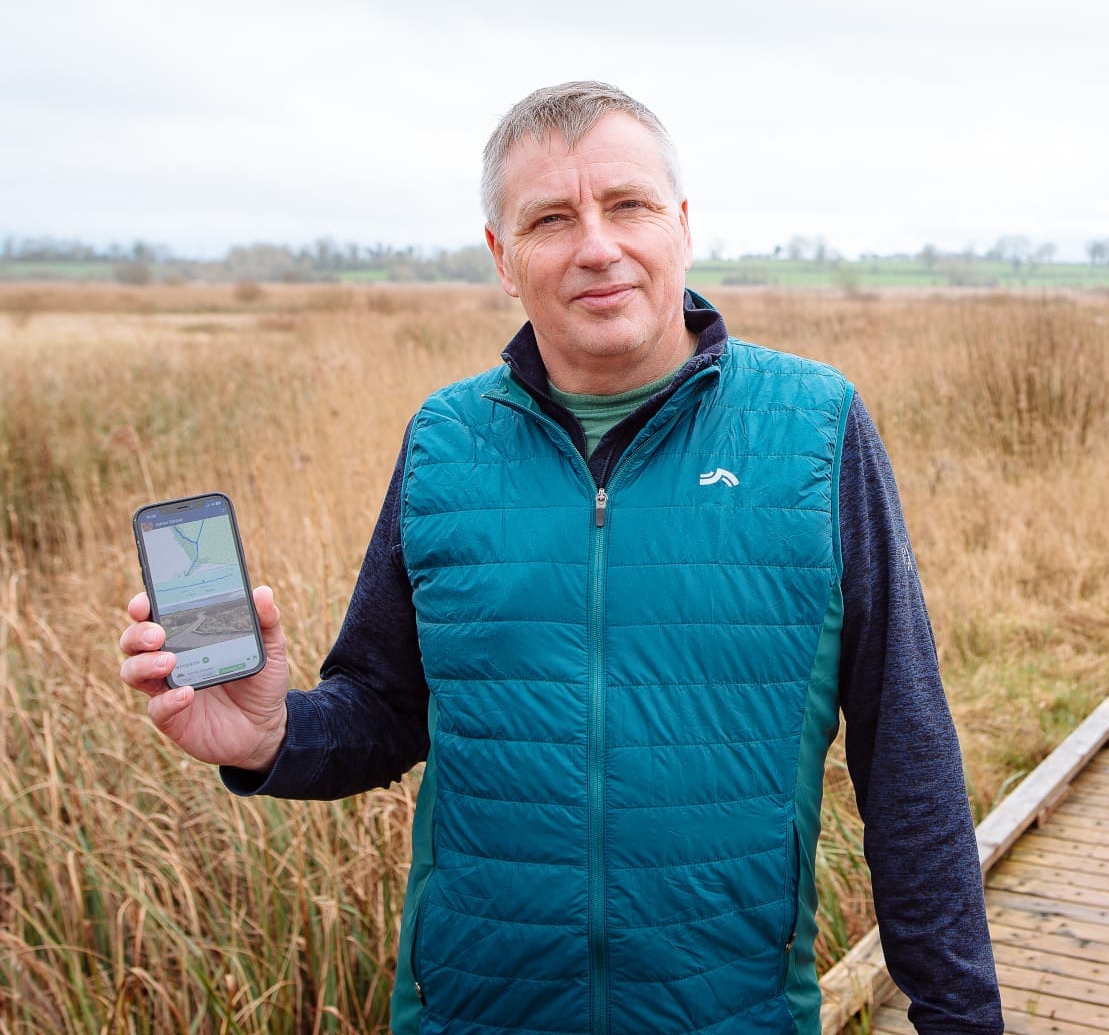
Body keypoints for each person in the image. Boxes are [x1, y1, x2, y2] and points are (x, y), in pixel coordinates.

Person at [118, 81, 1004, 1035]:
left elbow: (903, 748)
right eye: (550, 218)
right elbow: (385, 709)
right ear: (504, 257)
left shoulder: (814, 429)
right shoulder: (444, 441)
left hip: (726, 1013)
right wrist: (269, 739)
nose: (597, 245)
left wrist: (959, 1015)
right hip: (473, 1011)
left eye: (628, 205)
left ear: (683, 225)